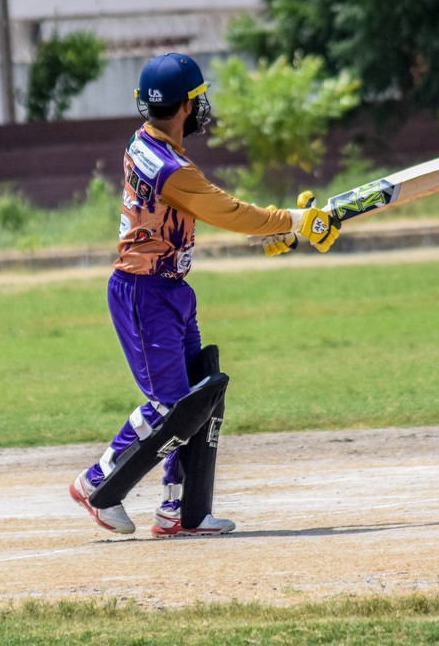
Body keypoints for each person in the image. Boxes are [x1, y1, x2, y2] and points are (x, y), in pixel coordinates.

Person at [69, 52, 341, 537]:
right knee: (171, 404)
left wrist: (272, 229)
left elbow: (196, 213)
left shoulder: (145, 143)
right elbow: (226, 210)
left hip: (169, 288)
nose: (202, 108)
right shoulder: (172, 168)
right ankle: (95, 483)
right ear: (184, 106)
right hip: (144, 291)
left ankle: (178, 509)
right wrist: (294, 221)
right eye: (198, 99)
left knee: (199, 396)